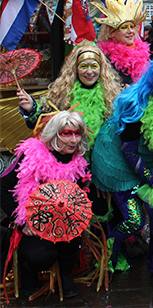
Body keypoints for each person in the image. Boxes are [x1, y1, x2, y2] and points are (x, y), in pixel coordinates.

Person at [91, 58, 153, 285]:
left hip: (149, 162)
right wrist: (152, 180)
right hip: (118, 163)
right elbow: (128, 150)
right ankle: (109, 254)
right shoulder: (136, 106)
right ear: (151, 84)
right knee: (135, 220)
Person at [1, 111, 91, 298]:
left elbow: (79, 196)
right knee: (41, 256)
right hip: (33, 225)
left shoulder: (80, 163)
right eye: (66, 133)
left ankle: (66, 275)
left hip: (62, 222)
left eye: (77, 134)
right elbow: (2, 187)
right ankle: (28, 271)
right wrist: (20, 222)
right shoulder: (31, 156)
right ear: (54, 134)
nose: (73, 140)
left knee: (72, 238)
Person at [16, 43, 121, 147]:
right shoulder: (61, 93)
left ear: (101, 69)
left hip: (101, 157)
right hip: (70, 156)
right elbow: (43, 125)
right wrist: (31, 109)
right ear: (75, 69)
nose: (89, 71)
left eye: (94, 66)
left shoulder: (112, 95)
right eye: (83, 66)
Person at [94, 0, 149, 86]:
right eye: (124, 27)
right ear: (111, 33)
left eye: (132, 27)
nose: (130, 31)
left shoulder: (144, 53)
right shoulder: (105, 58)